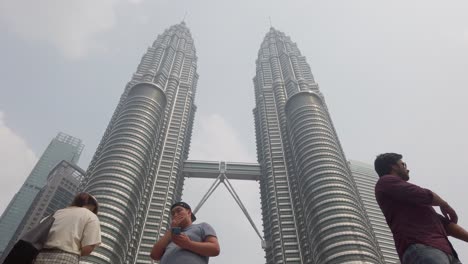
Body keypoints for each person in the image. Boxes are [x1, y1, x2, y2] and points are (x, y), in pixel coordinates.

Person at [374, 153, 468, 264]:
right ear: (393, 166)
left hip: (447, 252)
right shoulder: (385, 181)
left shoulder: (414, 202)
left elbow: (445, 224)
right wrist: (444, 205)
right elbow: (424, 194)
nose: (407, 169)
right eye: (403, 164)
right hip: (422, 247)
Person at [33, 192, 102, 264]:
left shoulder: (55, 214)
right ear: (92, 206)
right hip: (65, 257)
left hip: (39, 256)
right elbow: (88, 247)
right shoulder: (91, 216)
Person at [150, 201, 220, 264]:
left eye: (179, 211)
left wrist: (188, 244)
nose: (175, 215)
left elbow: (215, 249)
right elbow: (154, 255)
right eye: (173, 213)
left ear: (189, 212)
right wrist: (172, 229)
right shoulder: (170, 235)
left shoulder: (202, 226)